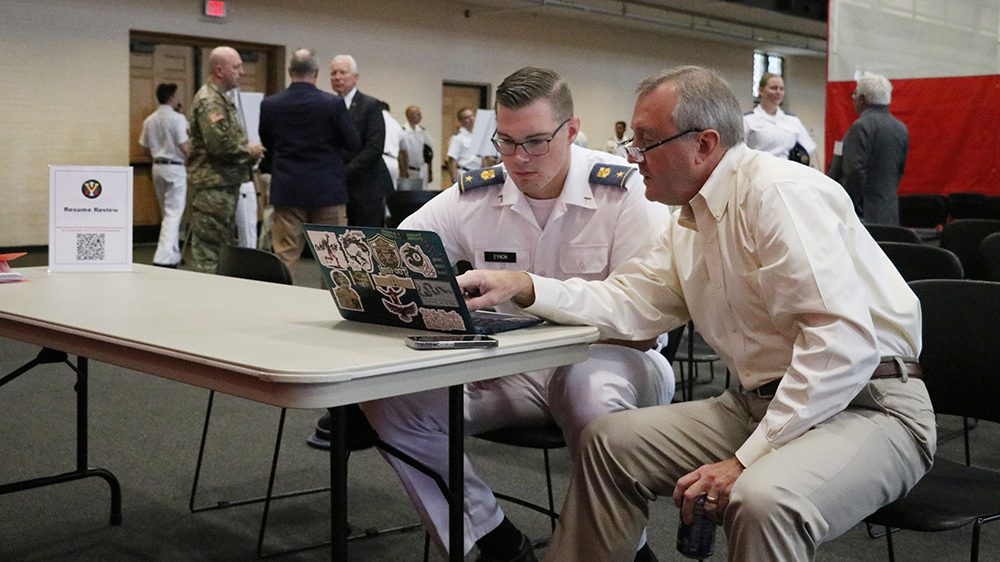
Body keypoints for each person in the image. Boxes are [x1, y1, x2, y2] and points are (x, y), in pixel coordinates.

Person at [457, 66, 936, 562]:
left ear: (704, 144)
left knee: (761, 500)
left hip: (870, 405)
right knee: (608, 442)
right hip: (764, 404)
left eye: (646, 141)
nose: (633, 156)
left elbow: (841, 346)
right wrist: (527, 286)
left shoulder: (778, 194)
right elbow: (631, 302)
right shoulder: (689, 222)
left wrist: (745, 459)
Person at [360, 67, 675, 562]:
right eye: (505, 142)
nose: (519, 159)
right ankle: (492, 541)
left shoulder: (625, 192)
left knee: (585, 385)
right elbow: (397, 251)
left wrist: (531, 290)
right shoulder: (478, 194)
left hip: (617, 365)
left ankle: (625, 551)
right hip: (512, 369)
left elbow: (643, 318)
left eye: (535, 142)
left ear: (571, 131)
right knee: (390, 399)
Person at [258, 49, 360, 272]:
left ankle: (282, 303)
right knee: (333, 259)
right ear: (316, 72)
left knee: (285, 255)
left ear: (289, 71)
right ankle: (330, 305)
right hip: (327, 189)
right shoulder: (332, 104)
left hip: (287, 188)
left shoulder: (270, 104)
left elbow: (267, 143)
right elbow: (353, 142)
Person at [183, 46, 265, 274]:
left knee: (222, 250)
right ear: (220, 70)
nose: (243, 71)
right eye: (237, 67)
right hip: (212, 188)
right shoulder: (211, 101)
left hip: (221, 187)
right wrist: (251, 151)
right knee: (209, 254)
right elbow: (219, 145)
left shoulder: (220, 99)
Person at [828, 72, 909, 225]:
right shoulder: (901, 128)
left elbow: (854, 171)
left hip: (863, 214)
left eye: (855, 94)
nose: (853, 98)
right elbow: (899, 170)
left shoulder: (860, 127)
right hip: (888, 212)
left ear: (862, 99)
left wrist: (845, 204)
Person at [329, 54, 393, 226]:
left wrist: (344, 172)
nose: (337, 77)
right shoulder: (330, 105)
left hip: (367, 186)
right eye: (333, 73)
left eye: (342, 72)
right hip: (340, 188)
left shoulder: (370, 105)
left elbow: (374, 148)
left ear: (355, 77)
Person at [139, 82, 189, 268]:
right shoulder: (178, 119)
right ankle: (164, 256)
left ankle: (173, 252)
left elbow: (143, 148)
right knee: (174, 213)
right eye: (177, 96)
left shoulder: (149, 120)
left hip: (157, 166)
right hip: (175, 167)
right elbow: (184, 146)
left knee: (166, 211)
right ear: (171, 98)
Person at [743, 73, 816, 163]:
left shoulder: (792, 120)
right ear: (761, 91)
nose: (778, 92)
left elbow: (808, 148)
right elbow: (738, 151)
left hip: (787, 171)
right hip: (759, 170)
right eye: (773, 88)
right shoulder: (748, 120)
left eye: (781, 89)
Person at [398, 105, 433, 188]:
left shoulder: (422, 131)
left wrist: (430, 172)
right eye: (417, 114)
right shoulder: (403, 131)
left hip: (422, 170)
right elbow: (401, 153)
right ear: (409, 116)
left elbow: (429, 152)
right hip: (409, 169)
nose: (421, 116)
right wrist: (403, 170)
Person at [446, 107, 479, 184]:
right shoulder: (457, 138)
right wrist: (455, 179)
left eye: (472, 116)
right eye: (467, 117)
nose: (471, 119)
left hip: (478, 173)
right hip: (465, 173)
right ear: (461, 122)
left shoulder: (477, 136)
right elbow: (451, 161)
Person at [381, 101, 404, 189]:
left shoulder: (376, 120)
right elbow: (402, 149)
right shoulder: (396, 124)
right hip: (394, 160)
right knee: (392, 190)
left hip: (381, 159)